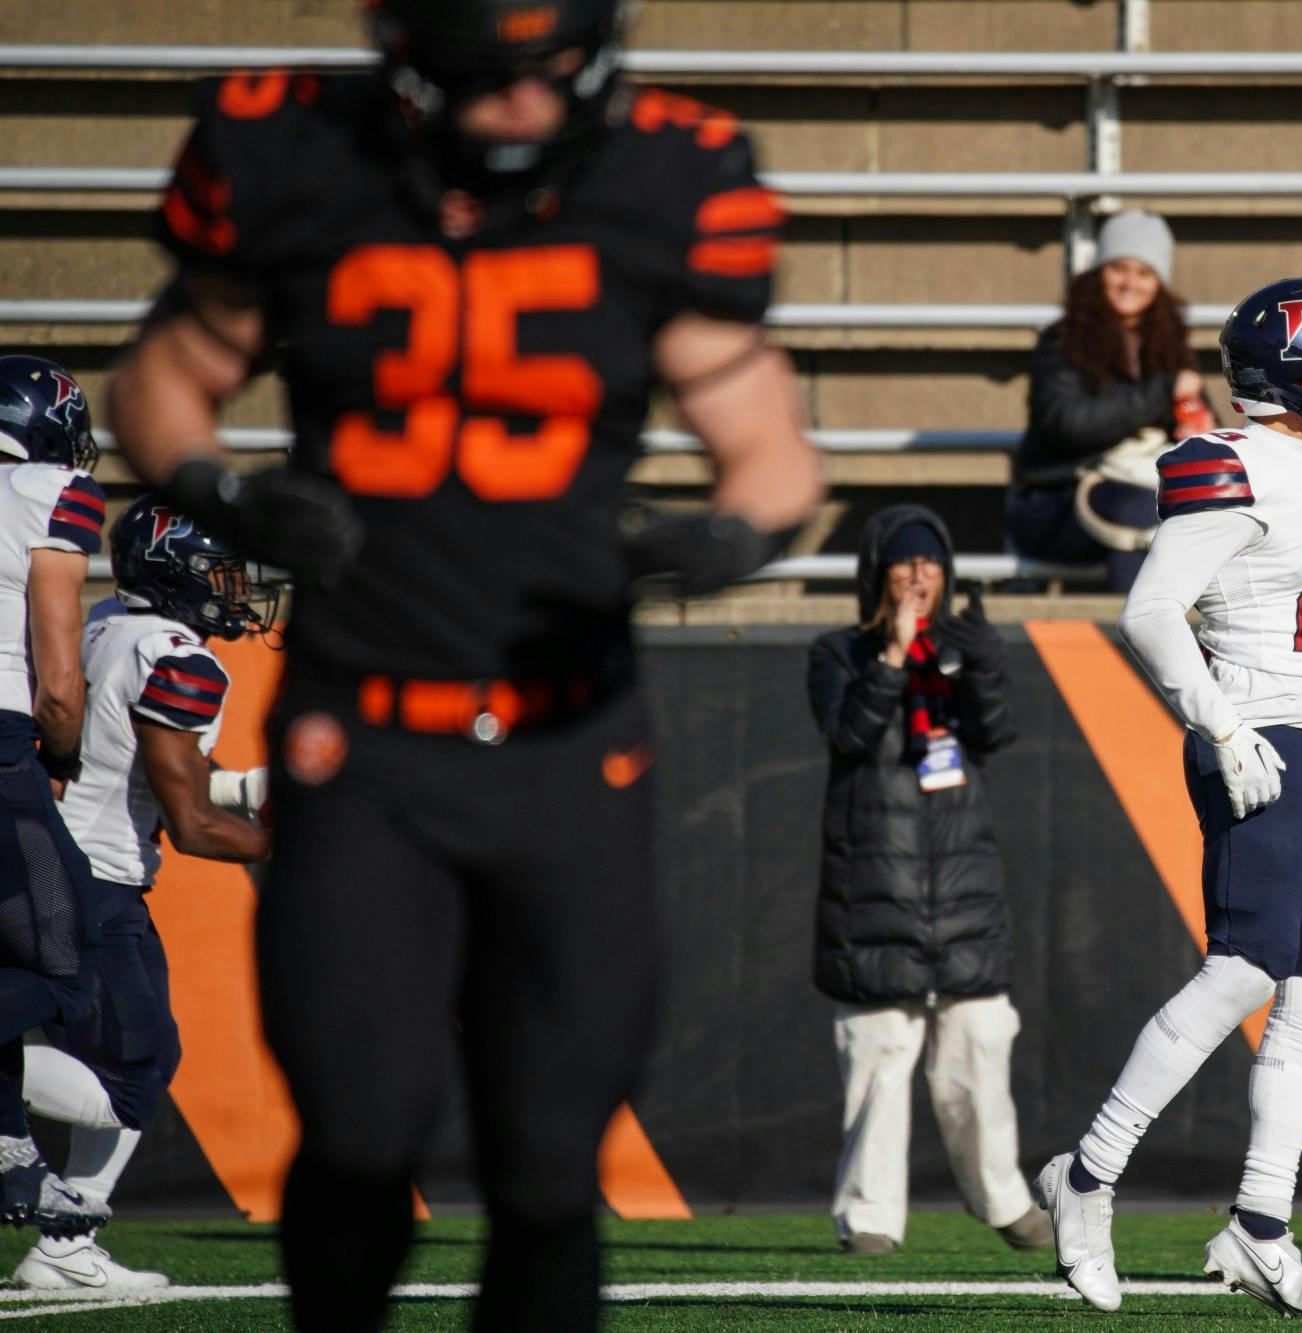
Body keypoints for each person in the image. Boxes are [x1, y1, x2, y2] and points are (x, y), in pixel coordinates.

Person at [101, 0, 824, 1326]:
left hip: (568, 743)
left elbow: (766, 431)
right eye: (489, 82)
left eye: (553, 76)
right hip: (362, 738)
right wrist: (222, 488)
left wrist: (727, 531)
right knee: (361, 1134)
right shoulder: (303, 156)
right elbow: (161, 374)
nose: (525, 109)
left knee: (550, 1164)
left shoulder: (666, 176)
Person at [1034, 279, 1302, 1319]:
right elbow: (1153, 610)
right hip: (1258, 734)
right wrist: (1217, 724)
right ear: (1296, 367)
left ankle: (1258, 1223)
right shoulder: (1235, 462)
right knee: (1243, 967)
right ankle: (1086, 1176)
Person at [16, 495, 275, 1291]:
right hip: (92, 874)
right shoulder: (182, 659)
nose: (237, 590)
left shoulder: (101, 624)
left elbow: (151, 775)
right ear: (180, 574)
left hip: (50, 857)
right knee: (132, 1073)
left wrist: (260, 787)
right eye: (222, 574)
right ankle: (64, 1236)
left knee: (141, 1053)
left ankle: (65, 1240)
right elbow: (191, 823)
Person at [807, 505, 1050, 1257]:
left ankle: (1004, 1200)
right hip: (873, 885)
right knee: (879, 1056)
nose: (919, 576)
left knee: (979, 1049)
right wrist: (891, 655)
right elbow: (848, 732)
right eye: (904, 564)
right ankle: (869, 1217)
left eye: (931, 563)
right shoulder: (837, 652)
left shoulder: (960, 649)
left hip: (961, 887)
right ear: (877, 575)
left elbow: (997, 730)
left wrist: (983, 665)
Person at [0, 355, 116, 1241]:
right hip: (3, 746)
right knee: (67, 954)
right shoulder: (51, 490)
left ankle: (10, 1147)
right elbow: (61, 682)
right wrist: (62, 750)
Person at [1007, 209, 1215, 592]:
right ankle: (1136, 646)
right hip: (1055, 502)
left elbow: (1203, 420)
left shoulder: (1171, 345)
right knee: (1139, 511)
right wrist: (1162, 393)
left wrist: (1197, 427)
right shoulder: (1062, 341)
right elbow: (1070, 424)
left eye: (1144, 273)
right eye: (1119, 268)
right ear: (1098, 271)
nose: (1130, 283)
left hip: (1140, 490)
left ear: (1160, 283)